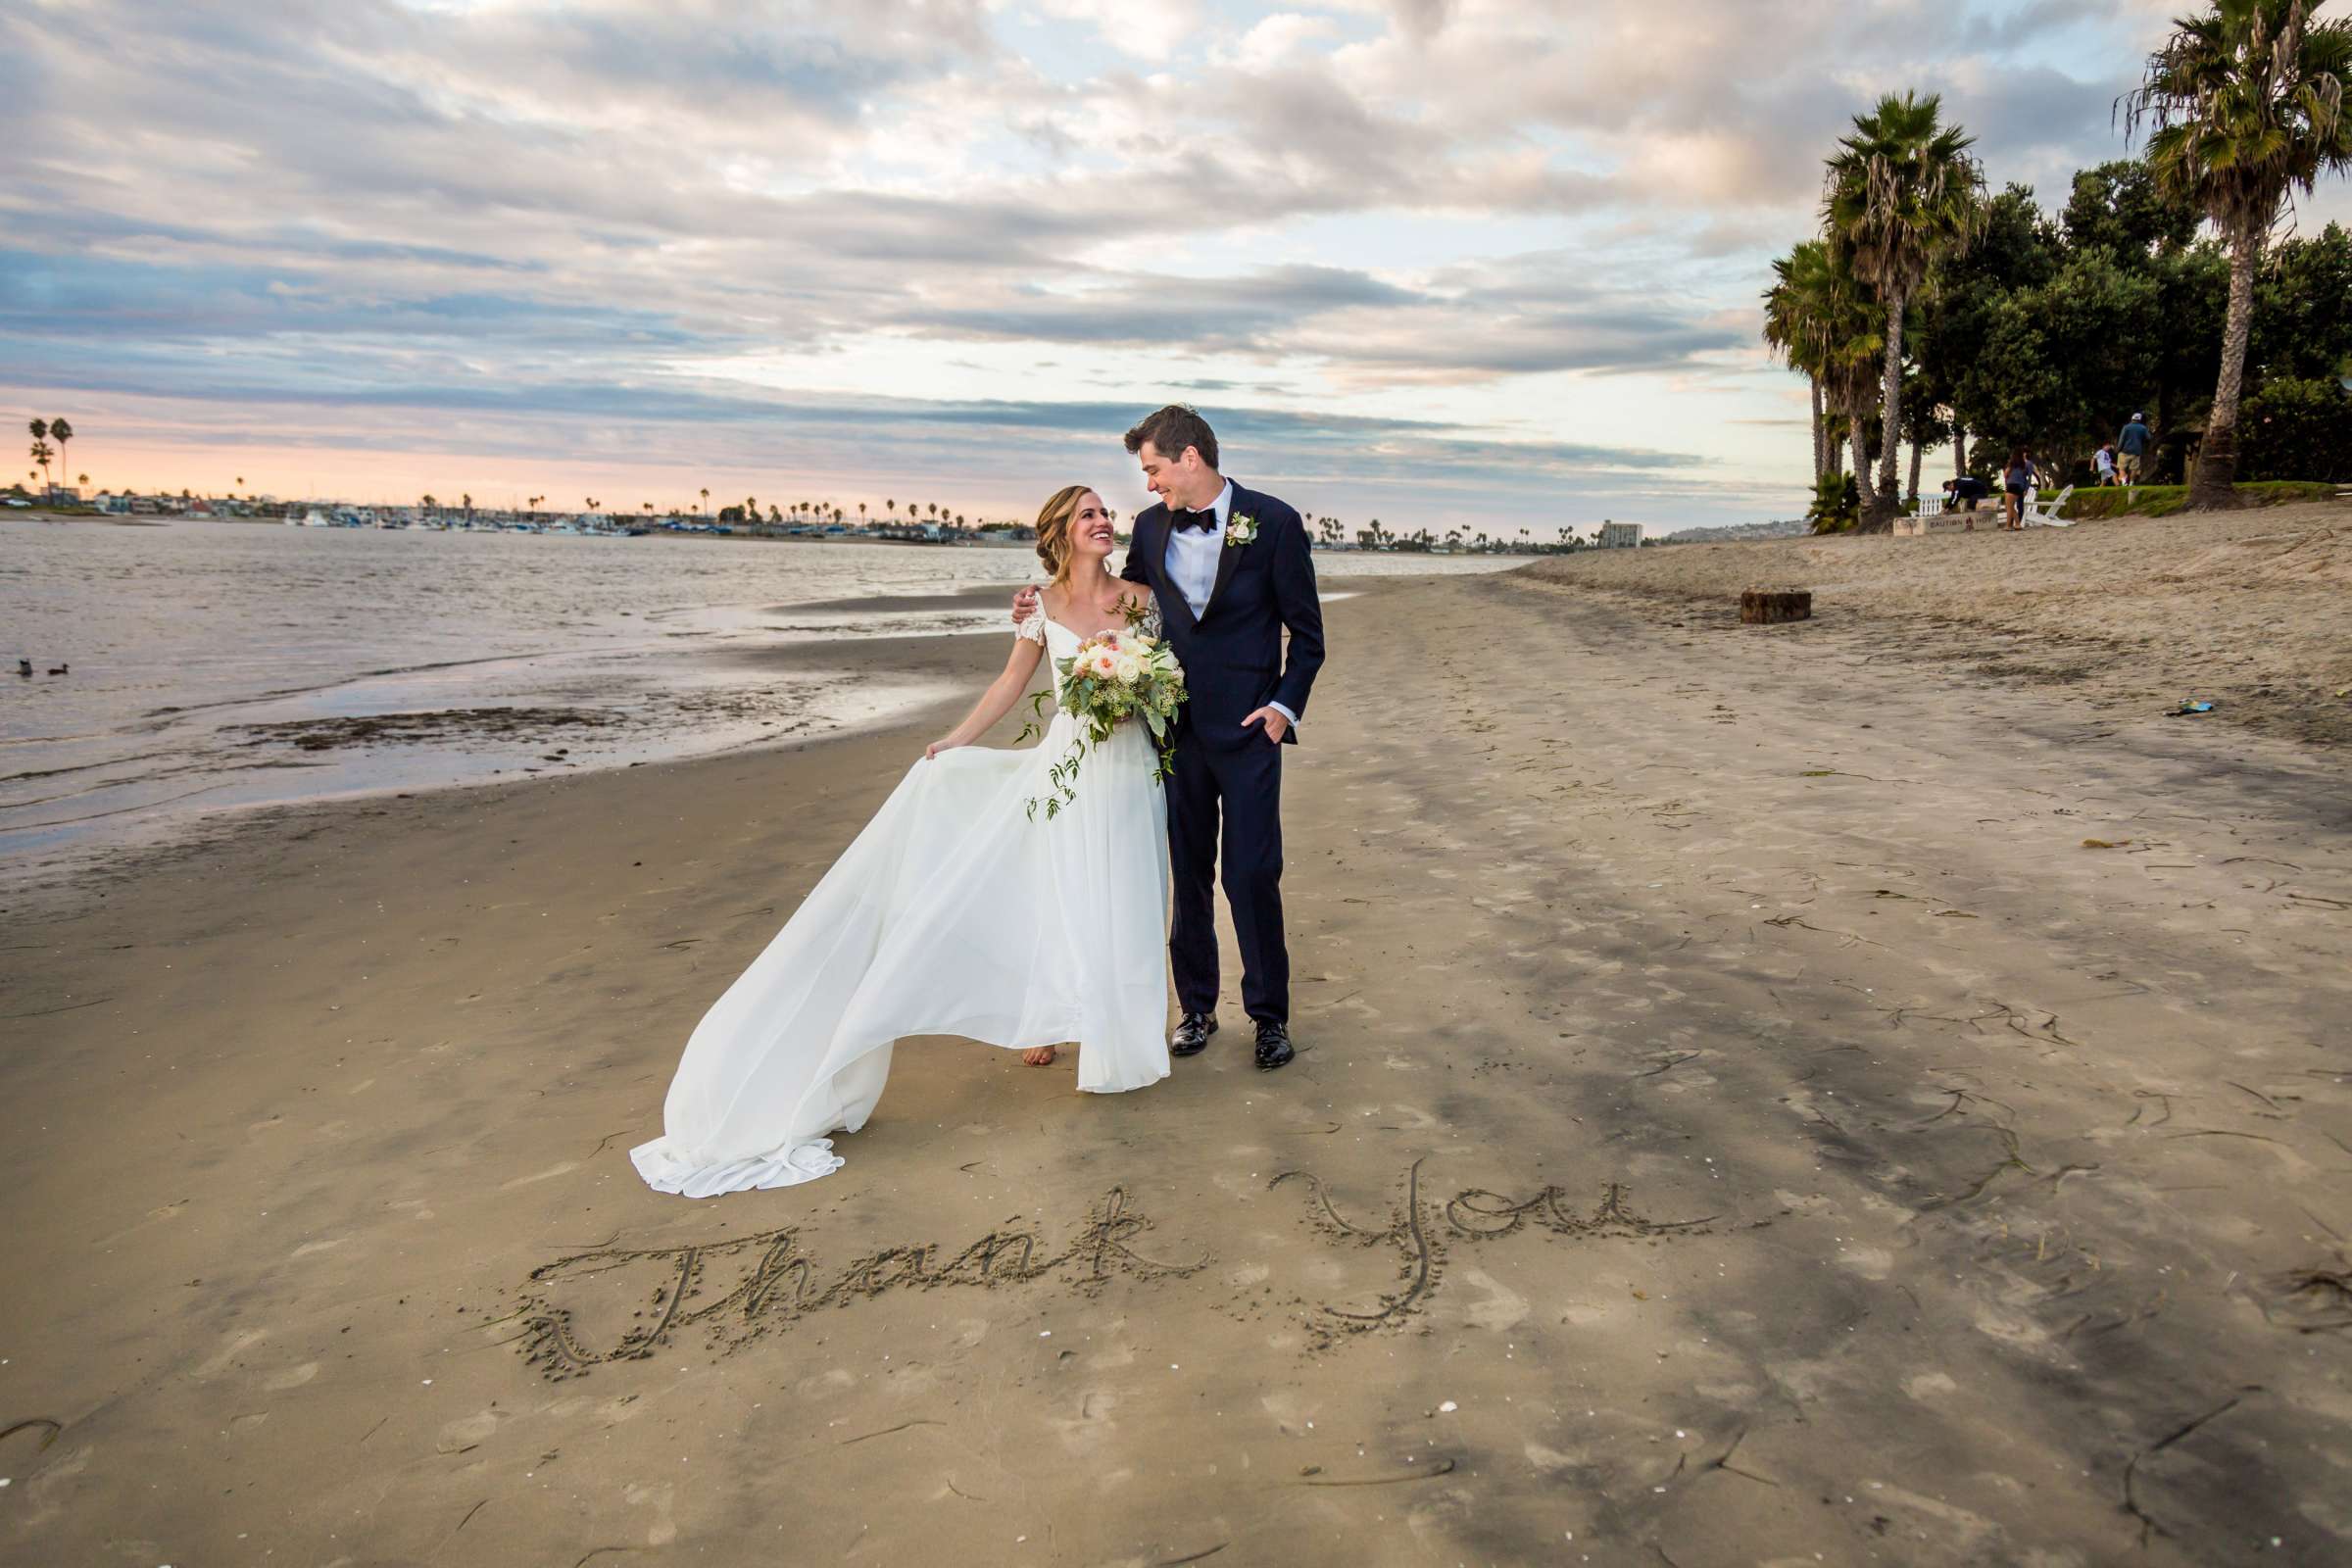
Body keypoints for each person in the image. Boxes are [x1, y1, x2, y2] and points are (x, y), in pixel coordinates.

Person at [631, 485, 1174, 1198]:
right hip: (1068, 762)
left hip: (1130, 763)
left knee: (1126, 888)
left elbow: (1165, 678)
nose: (1103, 522)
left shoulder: (1139, 600)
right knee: (1062, 882)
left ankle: (1114, 1030)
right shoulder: (1037, 606)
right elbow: (1011, 683)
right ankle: (1053, 1012)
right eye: (1088, 516)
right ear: (1062, 534)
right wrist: (954, 740)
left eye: (1106, 513)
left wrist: (1141, 687)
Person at [1015, 405, 1325, 1071]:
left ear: (1189, 458)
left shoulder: (1273, 523)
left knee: (1252, 874)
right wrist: (1037, 605)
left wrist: (1281, 709)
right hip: (1171, 733)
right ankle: (1197, 1009)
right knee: (1187, 875)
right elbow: (1122, 600)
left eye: (1154, 468)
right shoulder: (1154, 528)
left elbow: (1308, 635)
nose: (1149, 485)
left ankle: (1269, 1018)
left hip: (1249, 733)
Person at [2002, 446, 2036, 529]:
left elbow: (2006, 474)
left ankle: (2010, 525)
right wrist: (2025, 489)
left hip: (2011, 485)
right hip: (2019, 487)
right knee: (2012, 507)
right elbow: (2027, 477)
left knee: (2009, 507)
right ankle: (2016, 524)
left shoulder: (2012, 463)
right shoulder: (2024, 464)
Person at [2118, 413, 2151, 482]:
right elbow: (2149, 438)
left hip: (2125, 450)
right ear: (2140, 420)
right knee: (2134, 469)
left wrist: (2118, 448)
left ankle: (2124, 482)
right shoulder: (2143, 428)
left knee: (2121, 467)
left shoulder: (2126, 427)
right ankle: (2131, 483)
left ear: (2132, 418)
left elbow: (2122, 439)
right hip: (2136, 451)